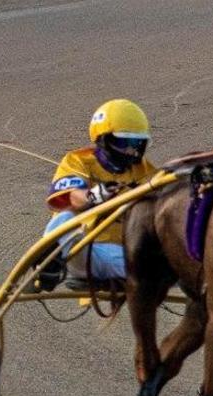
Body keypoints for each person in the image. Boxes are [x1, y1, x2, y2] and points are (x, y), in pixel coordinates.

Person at [37, 99, 157, 290]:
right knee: (64, 217)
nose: (131, 149)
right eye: (124, 141)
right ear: (103, 139)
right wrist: (94, 196)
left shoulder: (147, 171)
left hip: (125, 254)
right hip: (84, 250)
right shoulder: (78, 161)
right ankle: (46, 266)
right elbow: (71, 198)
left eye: (137, 142)